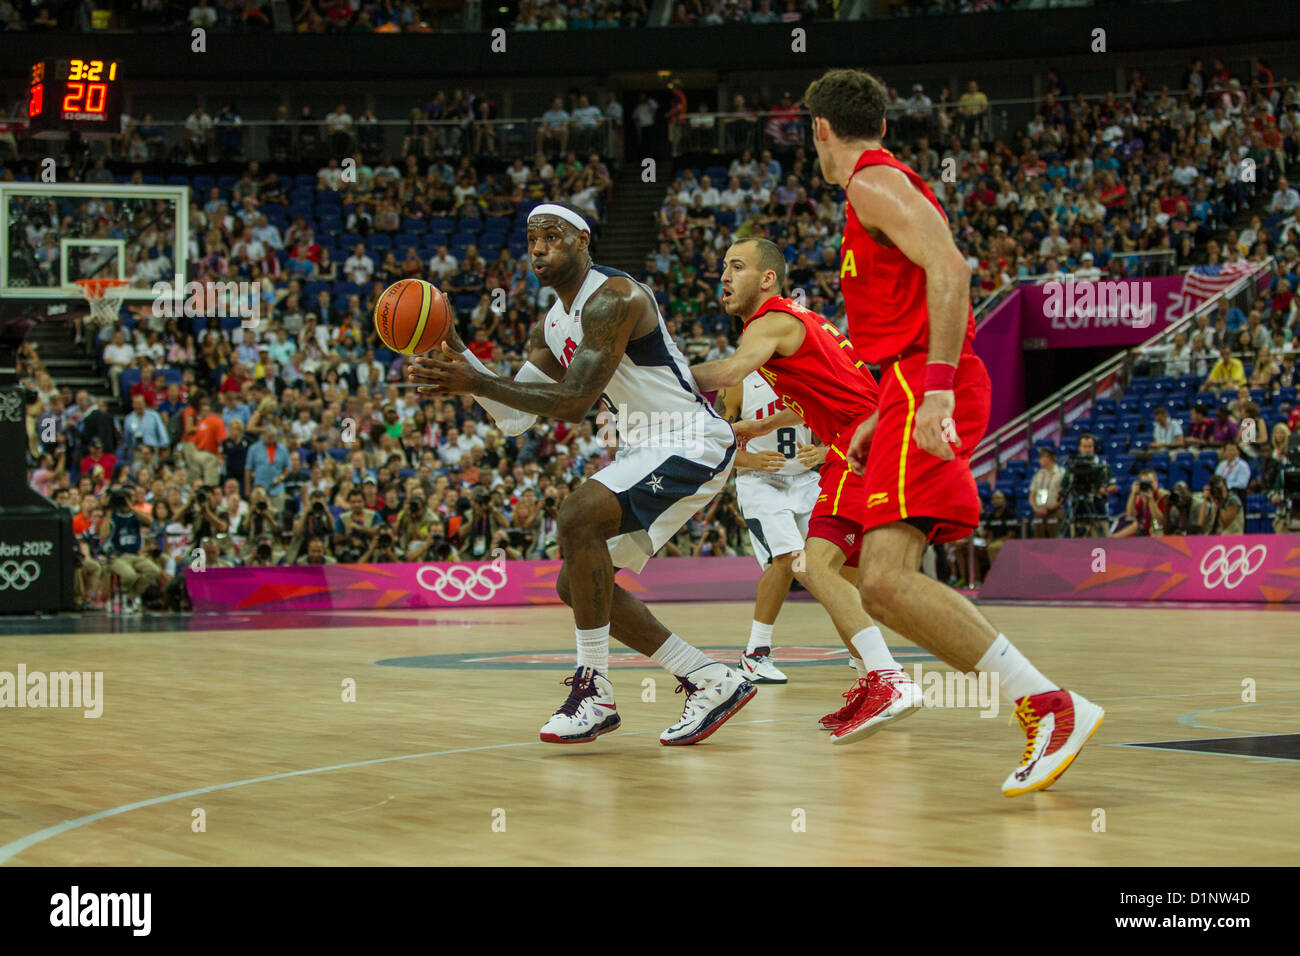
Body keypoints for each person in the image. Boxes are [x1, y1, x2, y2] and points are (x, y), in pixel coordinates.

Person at [803, 68, 1103, 796]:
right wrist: (881, 411)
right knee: (880, 586)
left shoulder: (872, 184)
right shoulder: (873, 190)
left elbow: (952, 266)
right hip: (902, 389)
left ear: (820, 130)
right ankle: (1045, 704)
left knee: (883, 581)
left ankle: (1049, 706)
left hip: (925, 382)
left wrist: (931, 389)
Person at [407, 201, 754, 746]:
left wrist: (472, 381)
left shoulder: (614, 297)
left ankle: (594, 690)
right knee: (577, 583)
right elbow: (516, 419)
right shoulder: (553, 323)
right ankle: (708, 678)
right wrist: (455, 348)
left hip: (690, 439)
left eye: (552, 235)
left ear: (583, 240)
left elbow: (572, 402)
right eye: (531, 239)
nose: (539, 247)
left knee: (577, 515)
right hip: (646, 448)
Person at [691, 238, 925, 742]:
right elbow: (810, 398)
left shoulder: (766, 321)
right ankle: (872, 678)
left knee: (810, 566)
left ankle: (889, 679)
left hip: (860, 446)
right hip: (874, 440)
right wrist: (759, 427)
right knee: (854, 576)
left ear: (768, 279)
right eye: (722, 267)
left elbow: (728, 372)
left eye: (736, 267)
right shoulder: (803, 320)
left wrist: (655, 378)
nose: (724, 277)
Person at [713, 369, 822, 684]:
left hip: (806, 478)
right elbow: (715, 443)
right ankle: (754, 656)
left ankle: (862, 653)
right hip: (761, 481)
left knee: (845, 559)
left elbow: (839, 428)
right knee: (787, 559)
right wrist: (750, 461)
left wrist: (823, 451)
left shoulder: (808, 374)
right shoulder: (736, 382)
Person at [100, 489, 160, 614]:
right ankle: (122, 597)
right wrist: (109, 512)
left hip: (134, 555)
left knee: (153, 570)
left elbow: (150, 522)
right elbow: (104, 534)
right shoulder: (113, 517)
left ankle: (129, 597)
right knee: (129, 575)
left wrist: (132, 508)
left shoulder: (135, 516)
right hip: (117, 556)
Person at [1027, 447, 1065, 538]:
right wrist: (1036, 508)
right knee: (1040, 542)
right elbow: (1032, 494)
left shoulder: (1061, 473)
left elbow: (1063, 493)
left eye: (1041, 457)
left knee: (1056, 541)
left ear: (1048, 458)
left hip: (1055, 511)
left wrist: (1051, 508)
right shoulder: (1038, 474)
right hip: (1039, 512)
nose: (1039, 460)